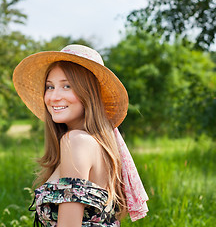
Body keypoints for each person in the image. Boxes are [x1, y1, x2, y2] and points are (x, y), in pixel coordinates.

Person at [13, 44, 148, 226]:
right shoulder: (97, 143)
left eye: (67, 86)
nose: (54, 97)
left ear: (89, 93)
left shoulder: (76, 141)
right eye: (50, 87)